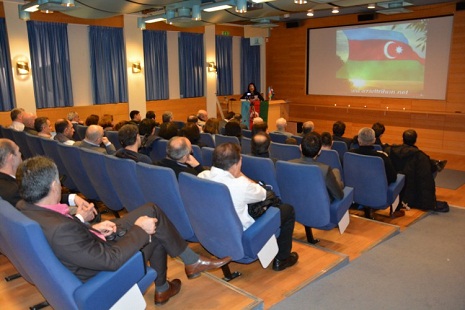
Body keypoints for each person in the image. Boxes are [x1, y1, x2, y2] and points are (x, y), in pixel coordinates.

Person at [15, 156, 231, 306]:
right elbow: (111, 261)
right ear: (54, 186)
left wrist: (92, 228)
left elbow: (73, 241)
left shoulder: (26, 207)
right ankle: (176, 275)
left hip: (92, 245)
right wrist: (139, 230)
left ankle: (178, 274)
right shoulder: (60, 229)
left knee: (151, 210)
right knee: (152, 228)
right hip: (105, 273)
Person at [198, 143, 298, 271]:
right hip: (245, 235)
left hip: (214, 231)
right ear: (236, 164)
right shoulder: (241, 185)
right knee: (287, 210)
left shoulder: (202, 176)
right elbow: (263, 193)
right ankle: (282, 259)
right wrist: (240, 174)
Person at [0, 139, 94, 216]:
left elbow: (40, 194)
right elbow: (41, 213)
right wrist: (80, 218)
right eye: (18, 151)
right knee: (91, 213)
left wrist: (72, 197)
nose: (21, 154)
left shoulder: (10, 181)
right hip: (50, 220)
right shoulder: (12, 191)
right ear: (11, 158)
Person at [389, 129, 449, 212]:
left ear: (402, 139)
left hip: (396, 183)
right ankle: (435, 164)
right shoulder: (420, 156)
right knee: (429, 167)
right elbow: (425, 180)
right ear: (415, 140)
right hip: (411, 186)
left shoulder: (392, 151)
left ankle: (434, 163)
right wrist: (429, 201)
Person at [349, 128, 403, 217]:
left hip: (355, 193)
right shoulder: (382, 157)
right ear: (374, 140)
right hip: (378, 194)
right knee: (401, 177)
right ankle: (395, 211)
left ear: (358, 139)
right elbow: (393, 177)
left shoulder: (349, 154)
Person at [289, 132, 344, 200]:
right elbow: (339, 196)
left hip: (294, 203)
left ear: (300, 147)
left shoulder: (288, 163)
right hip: (320, 206)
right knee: (336, 172)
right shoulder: (325, 170)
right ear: (319, 152)